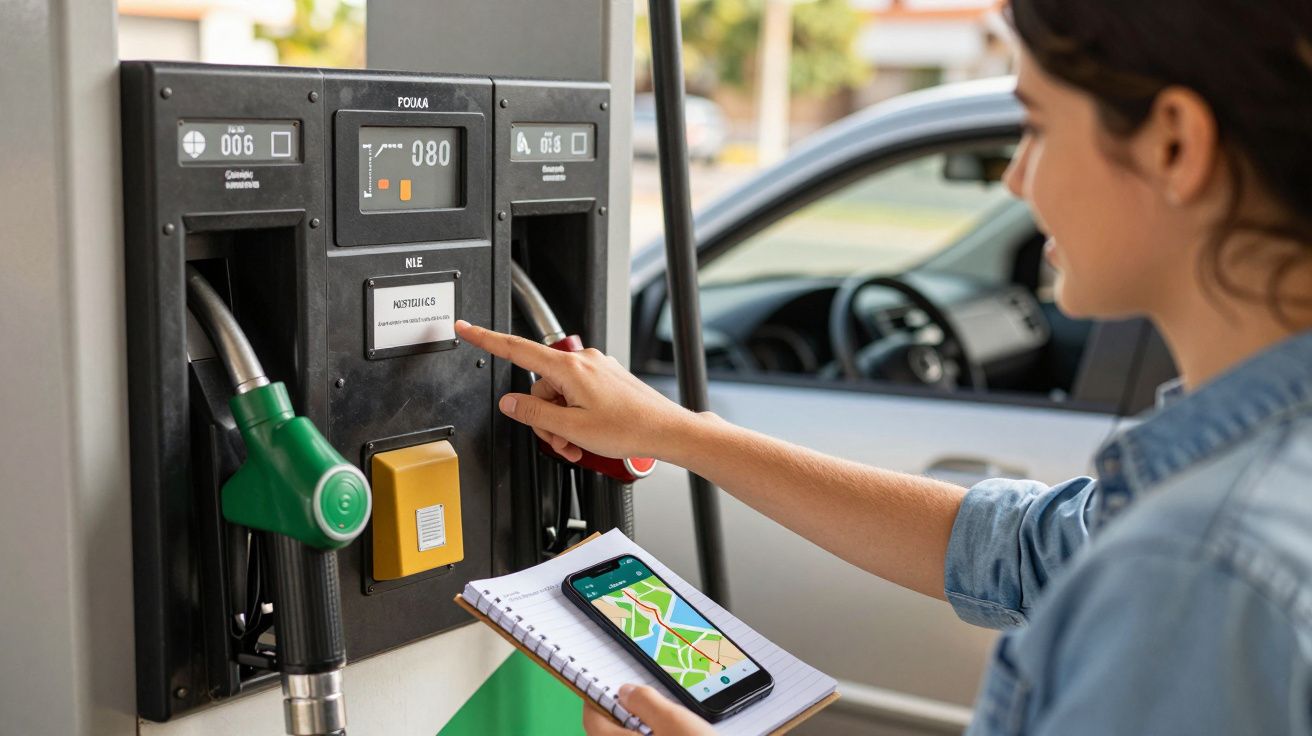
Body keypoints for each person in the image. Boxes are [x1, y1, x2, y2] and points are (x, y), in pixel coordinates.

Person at [456, 0, 1312, 732]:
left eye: (1038, 127)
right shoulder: (1231, 483)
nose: (1016, 178)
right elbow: (1016, 550)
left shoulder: (1201, 567)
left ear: (1173, 145)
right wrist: (678, 433)